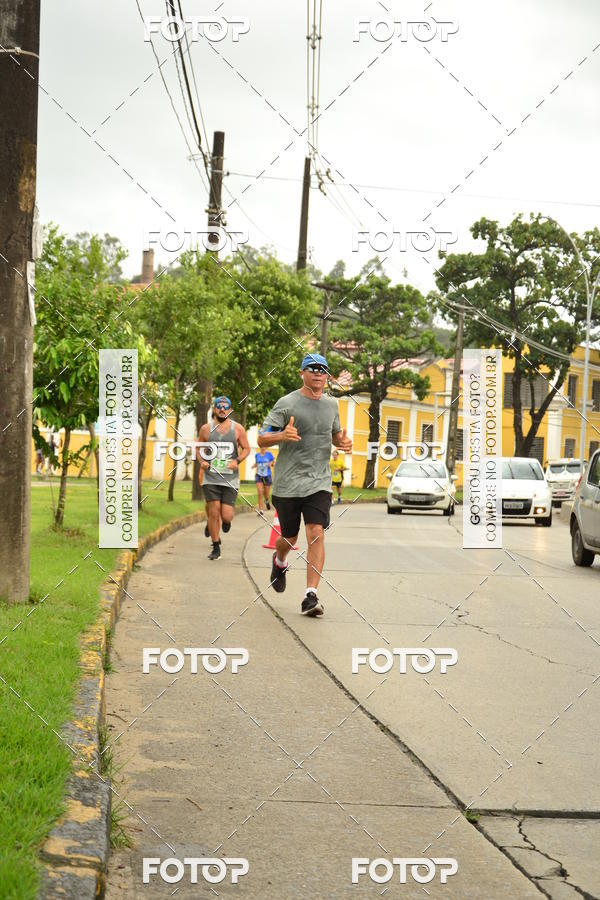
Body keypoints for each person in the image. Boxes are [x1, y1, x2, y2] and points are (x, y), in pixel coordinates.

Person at [258, 353, 352, 617]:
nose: (318, 373)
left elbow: (333, 436)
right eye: (312, 368)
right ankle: (280, 561)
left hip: (319, 482)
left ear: (327, 376)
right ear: (302, 373)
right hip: (288, 483)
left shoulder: (332, 405)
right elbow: (262, 439)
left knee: (315, 532)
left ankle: (311, 595)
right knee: (288, 537)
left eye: (323, 369)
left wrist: (342, 443)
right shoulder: (287, 403)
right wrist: (281, 435)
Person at [197, 396, 250, 560]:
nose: (222, 409)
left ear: (230, 410)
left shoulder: (238, 429)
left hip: (230, 478)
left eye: (225, 407)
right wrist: (202, 461)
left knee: (226, 515)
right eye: (219, 406)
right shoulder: (206, 429)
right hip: (211, 477)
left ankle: (225, 521)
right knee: (214, 512)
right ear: (214, 409)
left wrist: (237, 461)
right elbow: (198, 448)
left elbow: (246, 448)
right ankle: (216, 546)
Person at [252, 449, 275, 514]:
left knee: (266, 493)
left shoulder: (269, 454)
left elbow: (273, 463)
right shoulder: (257, 455)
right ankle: (261, 510)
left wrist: (271, 464)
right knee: (260, 492)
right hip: (258, 475)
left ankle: (267, 500)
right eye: (261, 446)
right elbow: (257, 463)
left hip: (267, 475)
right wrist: (254, 465)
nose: (263, 447)